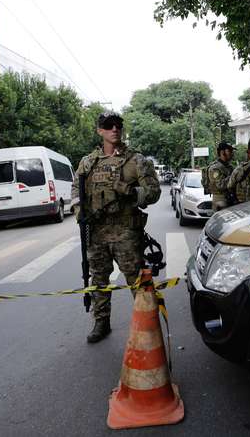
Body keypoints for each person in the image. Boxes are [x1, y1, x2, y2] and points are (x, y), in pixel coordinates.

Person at [71, 112, 161, 344]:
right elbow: (75, 190)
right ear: (99, 131)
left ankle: (148, 323)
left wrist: (130, 191)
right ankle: (101, 322)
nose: (114, 129)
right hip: (97, 232)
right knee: (99, 280)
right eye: (108, 126)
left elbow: (153, 192)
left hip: (125, 231)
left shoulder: (136, 160)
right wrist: (79, 211)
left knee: (136, 280)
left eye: (118, 125)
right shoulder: (88, 162)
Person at [207, 142, 235, 211]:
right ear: (222, 152)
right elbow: (220, 185)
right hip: (220, 199)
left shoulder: (230, 167)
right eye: (229, 151)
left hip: (230, 198)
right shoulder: (215, 168)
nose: (232, 153)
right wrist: (234, 176)